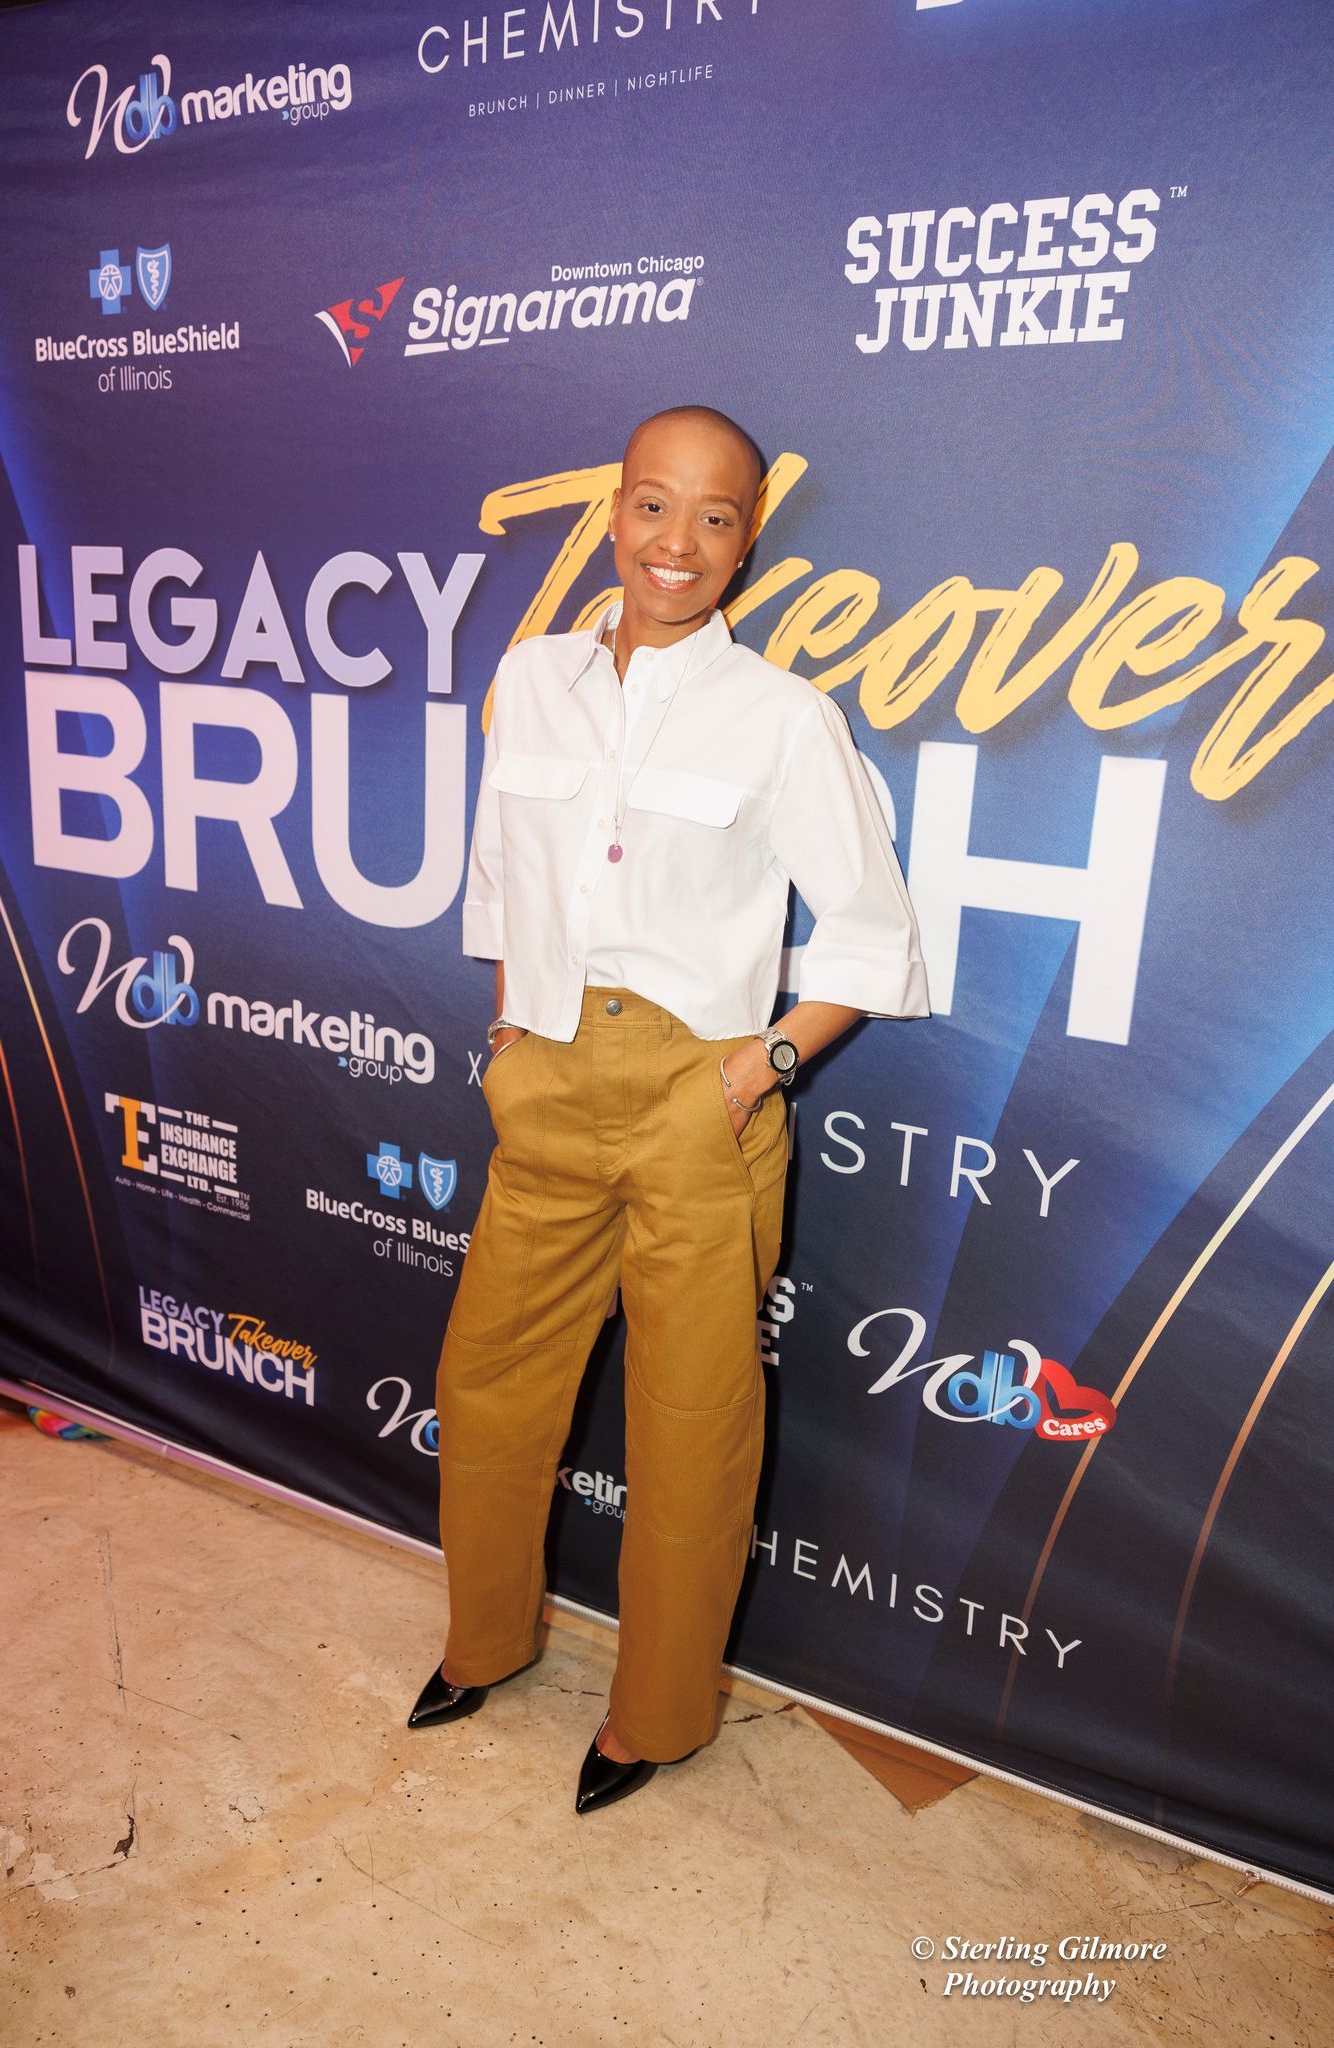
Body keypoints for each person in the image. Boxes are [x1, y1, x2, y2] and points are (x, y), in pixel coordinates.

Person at [408, 404, 930, 1813]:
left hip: (701, 1102)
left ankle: (657, 1716)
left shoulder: (782, 717)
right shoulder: (533, 677)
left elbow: (874, 937)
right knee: (488, 1390)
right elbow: (504, 880)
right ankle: (483, 1643)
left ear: (747, 539)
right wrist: (510, 1035)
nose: (676, 541)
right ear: (614, 512)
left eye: (714, 515)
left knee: (693, 1431)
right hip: (548, 1080)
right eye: (652, 504)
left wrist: (753, 1073)